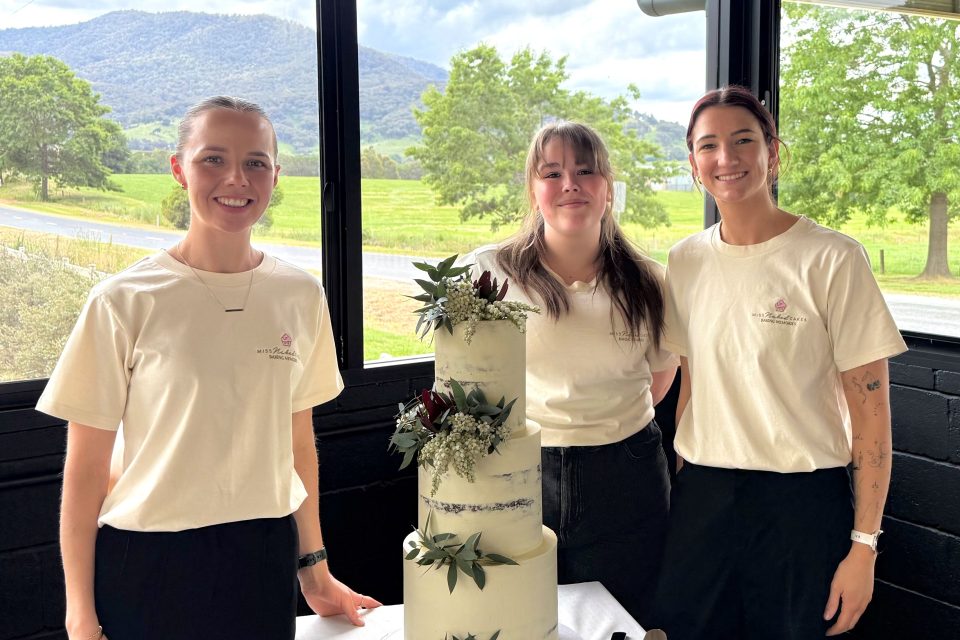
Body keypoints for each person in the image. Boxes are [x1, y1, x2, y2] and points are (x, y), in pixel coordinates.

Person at [38, 96, 381, 640]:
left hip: (262, 557)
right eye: (213, 159)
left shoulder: (299, 294)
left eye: (255, 162)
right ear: (179, 169)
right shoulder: (124, 299)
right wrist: (79, 614)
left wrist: (315, 573)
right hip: (147, 560)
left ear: (275, 175)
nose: (236, 178)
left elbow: (296, 444)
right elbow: (84, 472)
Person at [650, 85, 907, 639]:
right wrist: (684, 479)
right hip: (703, 500)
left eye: (743, 140)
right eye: (708, 145)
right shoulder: (685, 260)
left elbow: (872, 417)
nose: (727, 157)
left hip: (802, 504)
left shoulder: (833, 258)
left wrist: (864, 546)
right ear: (693, 165)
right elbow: (692, 382)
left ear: (773, 153)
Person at [462, 121, 678, 626]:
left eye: (585, 171)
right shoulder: (488, 274)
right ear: (532, 189)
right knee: (518, 620)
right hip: (519, 469)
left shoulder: (650, 281)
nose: (570, 185)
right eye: (552, 173)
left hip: (626, 474)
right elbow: (465, 380)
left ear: (608, 187)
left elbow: (659, 380)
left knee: (621, 620)